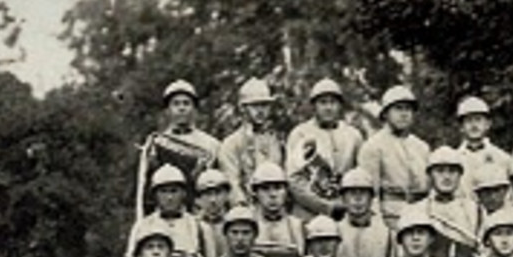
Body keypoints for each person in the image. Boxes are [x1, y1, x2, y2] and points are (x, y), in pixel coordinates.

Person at [286, 77, 364, 221]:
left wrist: (348, 204)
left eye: (333, 102)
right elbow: (295, 181)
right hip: (308, 212)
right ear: (314, 106)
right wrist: (325, 206)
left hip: (344, 211)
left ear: (340, 105)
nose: (328, 107)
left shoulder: (353, 135)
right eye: (323, 102)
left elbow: (361, 175)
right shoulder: (300, 133)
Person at [356, 84, 430, 233]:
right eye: (398, 108)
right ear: (385, 114)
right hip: (390, 218)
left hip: (422, 216)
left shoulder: (422, 147)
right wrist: (377, 228)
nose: (404, 114)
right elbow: (370, 195)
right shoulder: (373, 147)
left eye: (408, 109)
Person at [124, 164, 210, 257]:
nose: (169, 197)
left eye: (174, 191)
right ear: (155, 195)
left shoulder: (198, 226)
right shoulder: (143, 226)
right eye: (163, 192)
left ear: (183, 193)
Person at [138, 79, 219, 201]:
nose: (181, 108)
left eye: (186, 103)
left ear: (194, 109)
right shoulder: (157, 143)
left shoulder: (211, 144)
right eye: (176, 104)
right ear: (167, 110)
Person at [215, 77, 285, 207]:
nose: (260, 111)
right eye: (255, 105)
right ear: (243, 108)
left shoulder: (275, 141)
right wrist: (242, 208)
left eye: (264, 105)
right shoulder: (231, 143)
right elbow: (231, 182)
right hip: (246, 211)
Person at [335, 167, 395, 257]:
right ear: (343, 198)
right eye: (352, 193)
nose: (358, 199)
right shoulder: (334, 232)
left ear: (371, 198)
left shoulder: (386, 234)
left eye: (363, 193)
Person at [424, 145, 483, 257]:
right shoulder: (417, 210)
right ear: (430, 175)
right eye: (440, 171)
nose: (446, 177)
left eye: (452, 171)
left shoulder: (475, 210)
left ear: (460, 175)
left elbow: (483, 252)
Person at [246, 161, 305, 257]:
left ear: (286, 191)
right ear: (255, 192)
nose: (272, 194)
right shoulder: (247, 224)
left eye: (278, 188)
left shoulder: (298, 226)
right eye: (265, 188)